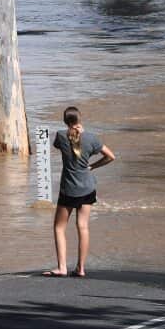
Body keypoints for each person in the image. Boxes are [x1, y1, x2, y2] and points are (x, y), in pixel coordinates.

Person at [44, 106, 116, 278]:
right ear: (80, 119)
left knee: (59, 227)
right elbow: (111, 156)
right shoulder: (91, 138)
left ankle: (62, 267)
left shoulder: (61, 136)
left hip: (69, 189)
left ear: (65, 121)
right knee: (83, 227)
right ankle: (81, 268)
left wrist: (73, 132)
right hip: (87, 187)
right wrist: (92, 166)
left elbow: (62, 144)